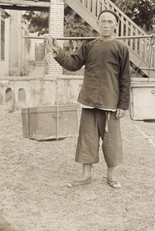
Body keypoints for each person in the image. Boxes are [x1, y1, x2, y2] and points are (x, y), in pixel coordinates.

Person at [51, 10, 131, 189]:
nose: (106, 25)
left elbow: (125, 79)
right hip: (89, 101)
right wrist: (58, 51)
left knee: (111, 142)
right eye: (103, 21)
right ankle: (86, 176)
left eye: (110, 22)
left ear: (115, 25)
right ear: (97, 23)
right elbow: (72, 64)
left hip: (111, 103)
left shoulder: (121, 48)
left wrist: (123, 104)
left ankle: (111, 176)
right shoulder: (89, 46)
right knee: (87, 139)